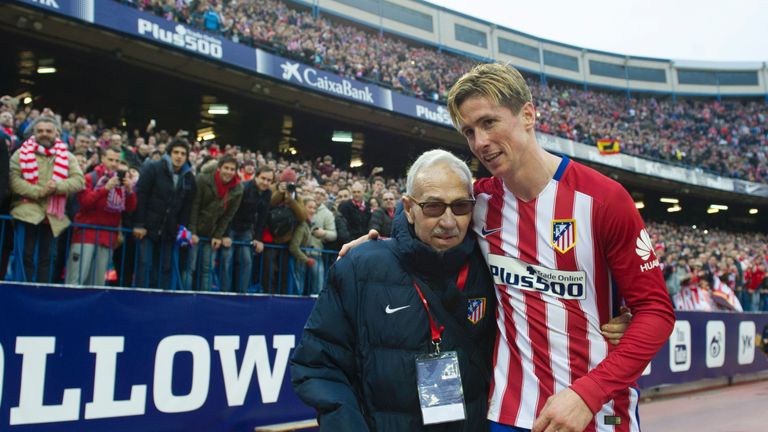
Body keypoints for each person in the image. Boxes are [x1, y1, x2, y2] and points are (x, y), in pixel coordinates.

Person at [446, 63, 675, 432]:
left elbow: (656, 312)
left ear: (528, 114)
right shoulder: (479, 202)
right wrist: (369, 246)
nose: (479, 142)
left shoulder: (603, 200)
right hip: (509, 413)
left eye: (489, 123)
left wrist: (589, 392)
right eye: (469, 131)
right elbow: (423, 220)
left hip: (596, 413)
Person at [291, 150, 498, 431]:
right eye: (433, 207)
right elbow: (318, 365)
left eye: (461, 206)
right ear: (409, 208)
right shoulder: (360, 267)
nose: (449, 221)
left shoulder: (492, 270)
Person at [9, 115, 85, 282]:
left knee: (48, 259)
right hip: (26, 213)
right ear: (34, 133)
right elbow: (14, 180)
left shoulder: (67, 156)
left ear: (56, 133)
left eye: (48, 131)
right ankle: (23, 292)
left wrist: (57, 187)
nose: (44, 134)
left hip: (53, 217)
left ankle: (41, 294)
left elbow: (79, 181)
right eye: (40, 131)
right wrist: (39, 191)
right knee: (24, 257)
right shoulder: (20, 153)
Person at [66, 146, 137, 286]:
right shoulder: (89, 178)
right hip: (85, 235)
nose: (114, 163)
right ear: (102, 159)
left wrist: (129, 191)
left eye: (117, 160)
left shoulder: (121, 182)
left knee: (97, 282)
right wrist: (105, 189)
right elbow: (85, 203)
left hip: (106, 236)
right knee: (76, 279)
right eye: (110, 159)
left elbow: (130, 208)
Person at [133, 138, 196, 290]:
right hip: (147, 229)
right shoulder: (152, 168)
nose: (179, 156)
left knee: (165, 269)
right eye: (176, 152)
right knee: (145, 266)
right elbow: (141, 196)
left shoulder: (189, 178)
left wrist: (182, 229)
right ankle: (141, 301)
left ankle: (160, 304)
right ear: (169, 154)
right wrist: (139, 224)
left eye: (183, 153)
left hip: (170, 232)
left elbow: (187, 207)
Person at [186, 155, 243, 291]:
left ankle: (204, 299)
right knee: (190, 267)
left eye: (232, 169)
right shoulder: (202, 179)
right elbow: (194, 206)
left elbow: (228, 216)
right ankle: (185, 296)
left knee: (207, 269)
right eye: (226, 168)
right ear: (219, 168)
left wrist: (218, 235)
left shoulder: (238, 189)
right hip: (195, 229)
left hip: (212, 232)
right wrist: (192, 232)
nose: (228, 172)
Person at [220, 165, 274, 293]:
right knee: (227, 258)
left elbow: (263, 217)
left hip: (246, 229)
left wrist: (258, 239)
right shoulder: (243, 188)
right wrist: (226, 234)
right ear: (256, 176)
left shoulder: (268, 193)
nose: (265, 182)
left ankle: (242, 293)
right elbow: (229, 212)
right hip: (231, 226)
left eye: (269, 180)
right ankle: (224, 293)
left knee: (247, 260)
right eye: (263, 178)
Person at [287, 197, 324, 295]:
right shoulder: (302, 225)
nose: (312, 210)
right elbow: (293, 246)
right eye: (310, 207)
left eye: (314, 208)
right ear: (303, 208)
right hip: (298, 261)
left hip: (302, 260)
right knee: (298, 288)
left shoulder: (310, 224)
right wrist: (306, 259)